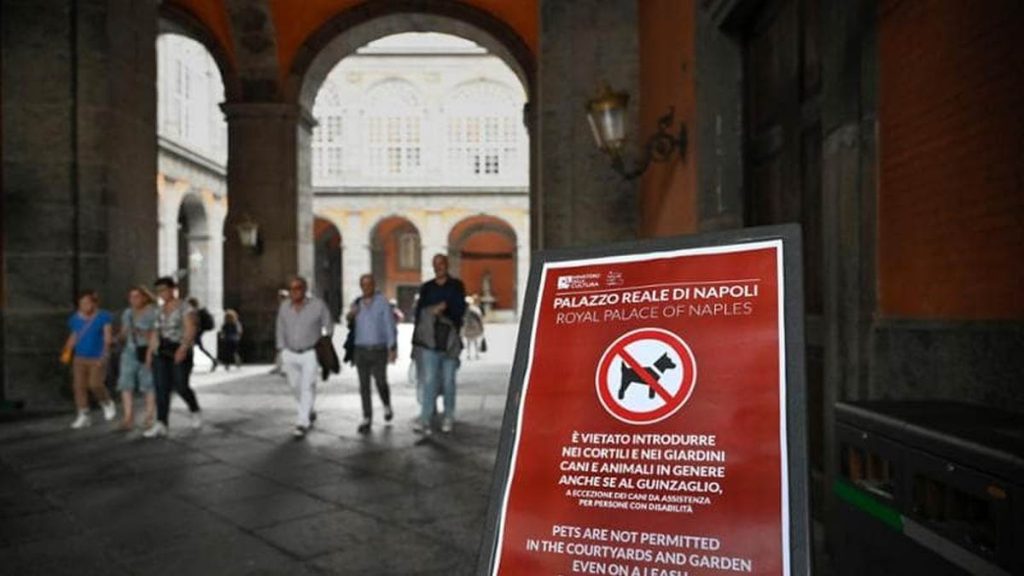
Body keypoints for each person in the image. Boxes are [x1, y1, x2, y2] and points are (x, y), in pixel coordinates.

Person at [412, 254, 466, 435]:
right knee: (429, 381)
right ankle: (425, 418)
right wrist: (415, 345)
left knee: (449, 381)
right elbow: (419, 316)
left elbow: (460, 311)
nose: (439, 267)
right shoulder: (427, 288)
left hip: (449, 342)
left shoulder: (456, 286)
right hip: (429, 343)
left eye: (441, 263)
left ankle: (448, 416)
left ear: (447, 265)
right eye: (435, 264)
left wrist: (445, 307)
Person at [144, 277, 202, 438]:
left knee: (181, 385)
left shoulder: (185, 307)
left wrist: (183, 349)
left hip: (179, 348)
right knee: (161, 387)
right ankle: (161, 422)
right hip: (161, 351)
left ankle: (194, 409)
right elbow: (155, 333)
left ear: (172, 289)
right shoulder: (159, 310)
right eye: (158, 291)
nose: (161, 293)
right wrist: (150, 353)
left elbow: (190, 329)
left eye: (163, 289)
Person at [276, 276, 333, 438]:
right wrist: (280, 351)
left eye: (298, 288)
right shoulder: (284, 307)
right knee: (295, 386)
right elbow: (280, 328)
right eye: (292, 288)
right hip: (289, 352)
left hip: (310, 352)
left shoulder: (317, 305)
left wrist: (323, 341)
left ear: (305, 289)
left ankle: (302, 422)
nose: (295, 292)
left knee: (307, 386)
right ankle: (309, 409)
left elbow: (328, 325)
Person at [346, 274, 397, 434]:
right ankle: (367, 417)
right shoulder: (357, 303)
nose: (366, 287)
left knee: (381, 382)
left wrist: (392, 348)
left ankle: (387, 405)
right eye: (363, 285)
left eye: (369, 284)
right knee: (364, 386)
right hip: (360, 350)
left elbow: (389, 325)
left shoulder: (382, 302)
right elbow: (349, 323)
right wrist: (350, 315)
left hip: (378, 350)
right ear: (361, 287)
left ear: (374, 285)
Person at [62, 290, 117, 429]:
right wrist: (67, 350)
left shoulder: (104, 317)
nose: (84, 306)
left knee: (95, 384)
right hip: (80, 358)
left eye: (87, 303)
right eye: (81, 304)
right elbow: (74, 335)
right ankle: (83, 414)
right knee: (79, 387)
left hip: (97, 358)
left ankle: (106, 402)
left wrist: (104, 356)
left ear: (94, 303)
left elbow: (107, 338)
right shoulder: (75, 319)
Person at [116, 286, 157, 430]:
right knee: (125, 384)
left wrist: (150, 353)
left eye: (137, 296)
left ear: (145, 297)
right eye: (131, 297)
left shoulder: (152, 312)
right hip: (129, 351)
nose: (133, 300)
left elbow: (155, 336)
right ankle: (128, 417)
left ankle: (149, 417)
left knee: (148, 384)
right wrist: (119, 337)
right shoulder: (127, 313)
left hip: (146, 351)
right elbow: (123, 333)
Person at [187, 297, 218, 372]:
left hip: (197, 332)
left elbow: (195, 323)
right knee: (198, 348)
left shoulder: (196, 312)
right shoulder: (199, 310)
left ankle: (191, 365)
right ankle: (213, 360)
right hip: (199, 332)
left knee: (192, 348)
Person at [463, 295, 485, 361]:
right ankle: (476, 354)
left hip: (467, 326)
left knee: (468, 341)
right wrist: (481, 327)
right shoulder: (475, 309)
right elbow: (480, 318)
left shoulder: (464, 310)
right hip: (475, 326)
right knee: (475, 341)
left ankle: (468, 354)